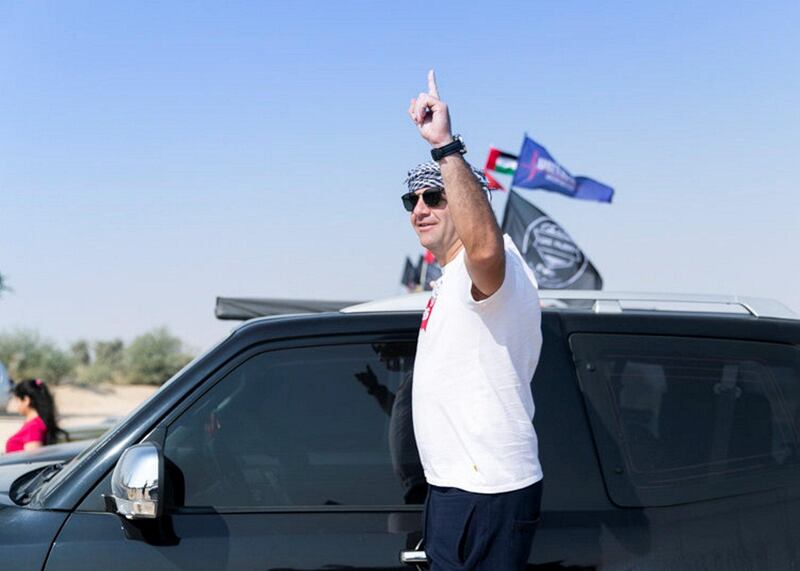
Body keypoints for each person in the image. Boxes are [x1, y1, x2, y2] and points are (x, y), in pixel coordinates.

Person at [404, 71, 544, 570]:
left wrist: (444, 146)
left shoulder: (488, 263)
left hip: (485, 493)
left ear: (469, 202)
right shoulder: (450, 282)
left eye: (436, 196)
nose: (421, 208)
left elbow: (483, 245)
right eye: (412, 200)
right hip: (458, 489)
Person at [5, 378, 65, 454]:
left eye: (17, 401)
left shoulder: (33, 427)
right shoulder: (38, 423)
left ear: (26, 400)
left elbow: (32, 461)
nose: (16, 405)